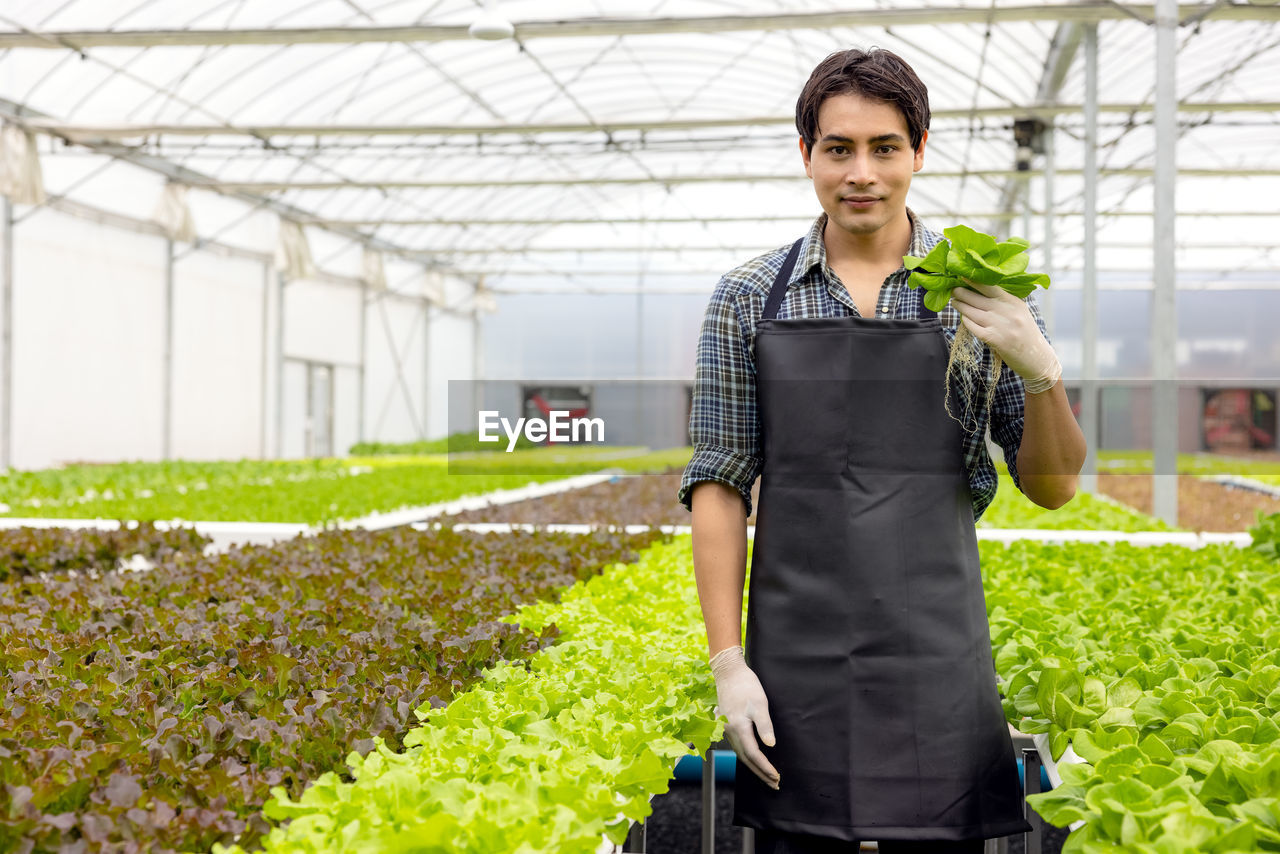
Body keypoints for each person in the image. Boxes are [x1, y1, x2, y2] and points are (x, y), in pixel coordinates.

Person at [677, 48, 1087, 854]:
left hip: (937, 653)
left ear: (919, 149)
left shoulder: (981, 296)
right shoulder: (749, 297)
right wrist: (729, 663)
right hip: (799, 658)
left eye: (884, 147)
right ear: (807, 156)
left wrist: (1043, 375)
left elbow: (1055, 487)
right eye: (838, 149)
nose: (861, 172)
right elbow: (719, 484)